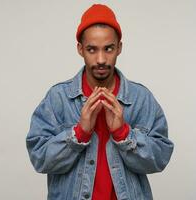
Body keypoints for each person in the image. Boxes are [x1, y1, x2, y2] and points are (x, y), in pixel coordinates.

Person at [26, 4, 174, 200]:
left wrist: (123, 134)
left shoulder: (140, 99)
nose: (101, 59)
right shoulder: (58, 98)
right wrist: (80, 133)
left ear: (119, 47)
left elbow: (160, 158)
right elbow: (40, 159)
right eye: (92, 49)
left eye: (109, 48)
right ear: (80, 49)